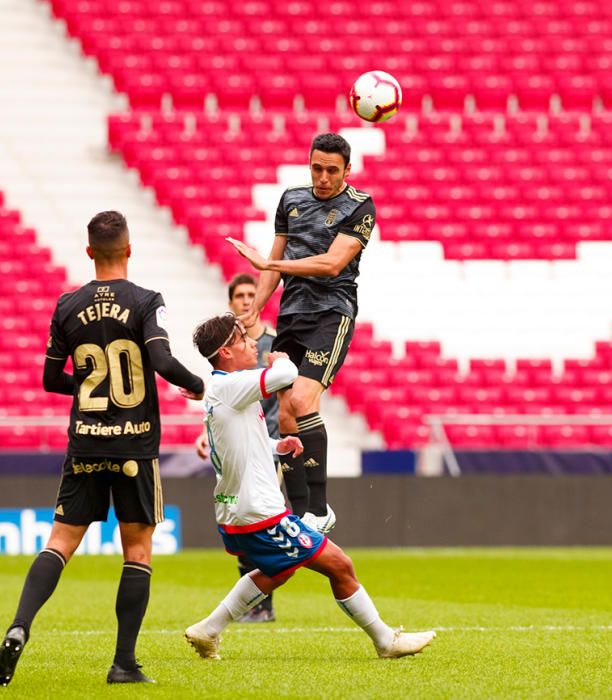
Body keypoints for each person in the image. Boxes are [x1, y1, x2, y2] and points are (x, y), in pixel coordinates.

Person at [0, 211, 205, 686]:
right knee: (138, 552)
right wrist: (196, 385)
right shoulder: (147, 301)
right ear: (129, 249)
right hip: (134, 446)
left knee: (60, 544)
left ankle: (19, 626)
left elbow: (49, 380)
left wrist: (90, 387)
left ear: (89, 252)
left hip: (85, 441)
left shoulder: (67, 305)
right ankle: (124, 663)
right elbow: (162, 360)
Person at [183, 313, 434, 661]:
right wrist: (281, 355)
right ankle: (385, 641)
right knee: (340, 565)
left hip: (240, 509)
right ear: (225, 352)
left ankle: (208, 630)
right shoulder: (231, 386)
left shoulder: (224, 391)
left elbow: (236, 444)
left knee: (279, 570)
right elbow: (286, 375)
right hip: (259, 511)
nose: (254, 343)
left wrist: (277, 446)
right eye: (243, 339)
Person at [227, 132, 374, 531]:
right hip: (292, 316)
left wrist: (269, 266)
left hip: (331, 312)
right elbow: (273, 262)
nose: (323, 177)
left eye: (331, 170)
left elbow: (331, 264)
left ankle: (321, 509)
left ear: (347, 170)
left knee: (303, 396)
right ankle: (302, 511)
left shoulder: (360, 206)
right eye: (316, 168)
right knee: (287, 412)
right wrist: (254, 309)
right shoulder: (291, 199)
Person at [194, 273, 280, 622]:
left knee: (262, 519)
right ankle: (250, 605)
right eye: (240, 295)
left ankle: (260, 605)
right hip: (242, 447)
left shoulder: (274, 342)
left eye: (252, 294)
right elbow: (222, 404)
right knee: (252, 522)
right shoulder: (228, 350)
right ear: (231, 303)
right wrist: (206, 432)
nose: (246, 300)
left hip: (268, 446)